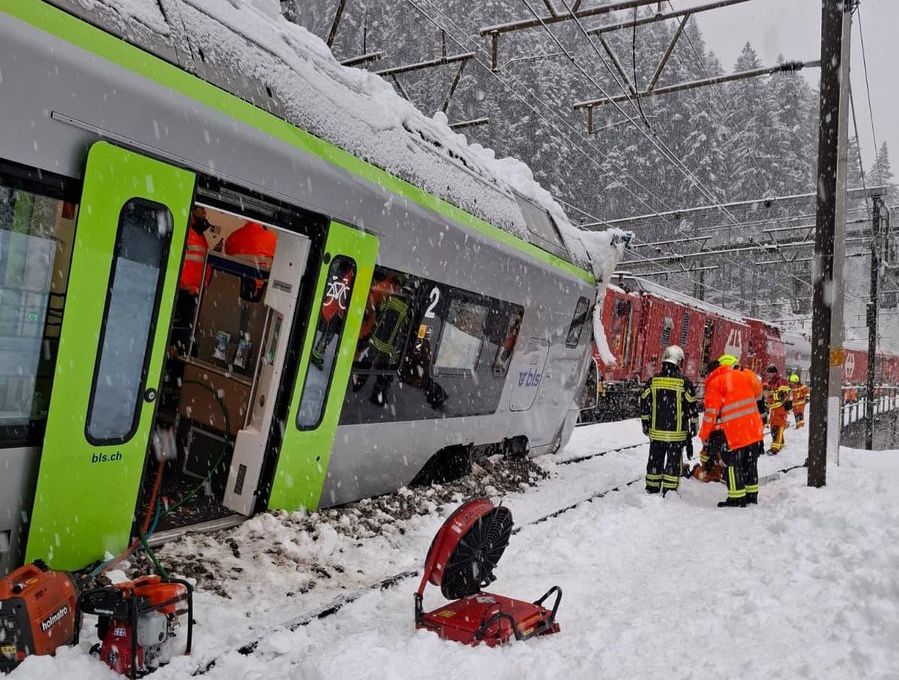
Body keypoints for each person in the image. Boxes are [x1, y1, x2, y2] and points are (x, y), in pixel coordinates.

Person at [699, 354, 765, 508]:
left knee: (732, 465)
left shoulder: (715, 382)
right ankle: (751, 495)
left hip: (733, 432)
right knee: (750, 463)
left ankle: (736, 498)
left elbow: (711, 413)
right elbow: (756, 395)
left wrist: (704, 434)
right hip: (753, 428)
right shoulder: (743, 376)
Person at [639, 345, 698, 497]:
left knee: (655, 460)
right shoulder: (685, 383)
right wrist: (693, 426)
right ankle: (669, 490)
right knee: (673, 463)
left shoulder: (653, 381)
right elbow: (692, 407)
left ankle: (652, 487)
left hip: (656, 432)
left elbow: (644, 403)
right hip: (676, 434)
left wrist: (645, 423)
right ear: (679, 362)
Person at [764, 364, 792, 454]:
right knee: (773, 427)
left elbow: (784, 395)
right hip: (774, 408)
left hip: (780, 408)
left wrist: (771, 395)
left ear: (774, 373)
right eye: (768, 373)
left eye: (770, 373)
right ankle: (781, 443)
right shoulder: (771, 382)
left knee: (777, 427)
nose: (768, 375)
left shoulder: (781, 381)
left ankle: (775, 448)